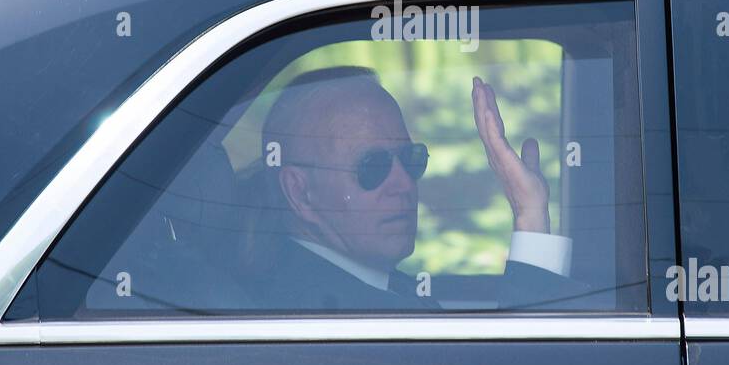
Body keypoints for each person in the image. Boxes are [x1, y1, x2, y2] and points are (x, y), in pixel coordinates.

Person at [243, 65, 580, 310]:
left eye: (410, 158)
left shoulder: (366, 287)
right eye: (372, 166)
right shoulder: (326, 316)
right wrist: (530, 216)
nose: (404, 183)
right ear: (300, 192)